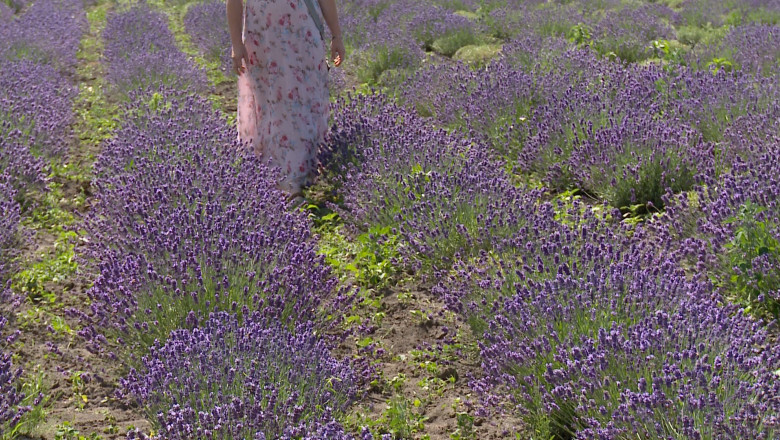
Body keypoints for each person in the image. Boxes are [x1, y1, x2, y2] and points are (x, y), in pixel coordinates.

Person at [226, 0, 345, 204]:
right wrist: (236, 43)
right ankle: (281, 178)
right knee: (271, 104)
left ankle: (298, 174)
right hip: (263, 38)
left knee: (305, 100)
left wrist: (337, 35)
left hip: (303, 33)